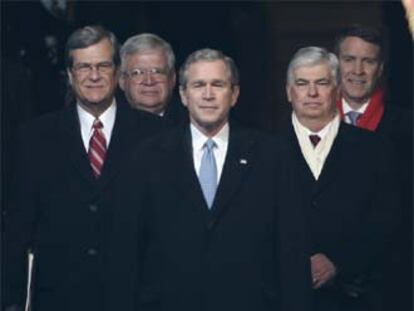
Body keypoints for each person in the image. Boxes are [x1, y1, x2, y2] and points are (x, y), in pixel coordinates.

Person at [120, 48, 312, 311]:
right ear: (184, 95)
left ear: (234, 94)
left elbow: (291, 249)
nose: (208, 95)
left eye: (217, 85)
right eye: (199, 85)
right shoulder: (147, 157)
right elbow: (129, 251)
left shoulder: (272, 156)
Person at [2, 25, 163, 311]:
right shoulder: (34, 138)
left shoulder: (156, 136)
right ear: (69, 74)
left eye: (103, 65)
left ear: (118, 72)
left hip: (137, 298)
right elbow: (17, 229)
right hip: (59, 298)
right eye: (84, 66)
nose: (94, 76)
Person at [278, 46, 398, 311]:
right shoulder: (262, 150)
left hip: (358, 296)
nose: (312, 93)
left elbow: (387, 220)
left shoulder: (375, 149)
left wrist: (338, 261)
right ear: (289, 91)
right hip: (283, 297)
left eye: (321, 83)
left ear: (337, 89)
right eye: (302, 83)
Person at [335, 25, 412, 310]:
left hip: (390, 282)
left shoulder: (407, 129)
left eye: (368, 61)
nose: (357, 70)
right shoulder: (310, 122)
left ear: (380, 68)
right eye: (349, 59)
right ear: (336, 64)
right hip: (327, 285)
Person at [119, 33, 187, 125]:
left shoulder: (192, 123)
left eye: (157, 72)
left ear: (173, 78)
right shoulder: (108, 127)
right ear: (122, 80)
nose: (149, 81)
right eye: (138, 73)